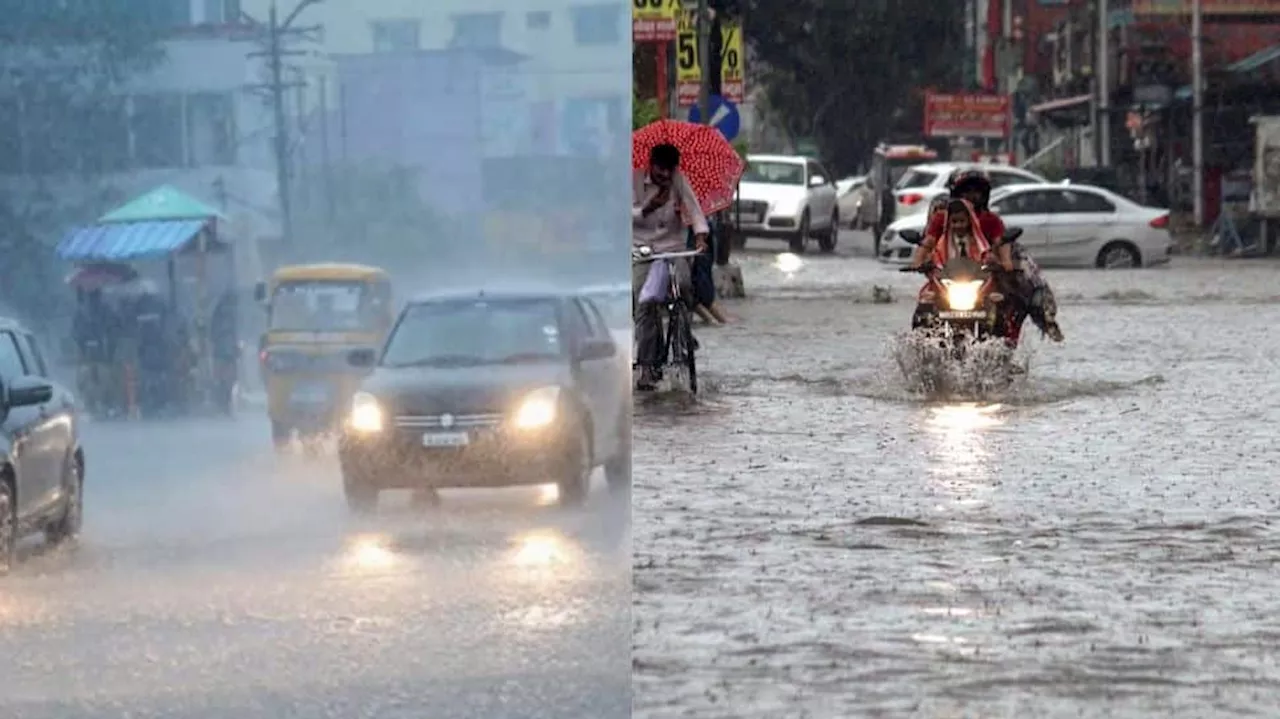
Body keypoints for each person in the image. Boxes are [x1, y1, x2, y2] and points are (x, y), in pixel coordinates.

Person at [632, 143, 709, 390]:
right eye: (660, 169)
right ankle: (647, 364)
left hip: (674, 247)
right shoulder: (632, 180)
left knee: (684, 283)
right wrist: (648, 207)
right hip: (643, 249)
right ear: (650, 164)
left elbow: (694, 207)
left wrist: (700, 234)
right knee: (644, 301)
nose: (664, 174)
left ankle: (685, 330)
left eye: (669, 170)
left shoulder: (677, 180)